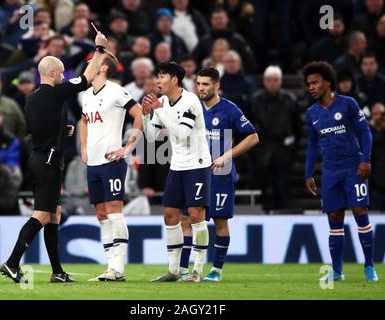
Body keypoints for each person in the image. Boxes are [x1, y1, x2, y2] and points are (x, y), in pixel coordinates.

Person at [0, 31, 108, 284]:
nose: (63, 77)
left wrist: (62, 131)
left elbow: (40, 129)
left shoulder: (32, 98)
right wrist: (99, 49)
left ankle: (57, 272)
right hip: (48, 162)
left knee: (54, 214)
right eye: (60, 73)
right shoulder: (55, 93)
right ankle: (12, 263)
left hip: (42, 159)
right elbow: (88, 77)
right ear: (51, 74)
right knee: (43, 214)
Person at [180, 67, 259, 281]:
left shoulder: (230, 110)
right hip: (196, 172)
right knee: (187, 219)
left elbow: (253, 137)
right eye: (198, 83)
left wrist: (227, 155)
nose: (201, 88)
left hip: (220, 174)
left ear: (217, 86)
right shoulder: (193, 107)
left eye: (206, 84)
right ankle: (185, 270)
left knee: (220, 221)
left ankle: (216, 270)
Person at [303, 61, 378, 282]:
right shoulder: (312, 113)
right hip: (330, 171)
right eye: (309, 84)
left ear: (327, 83)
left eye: (315, 83)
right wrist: (308, 173)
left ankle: (369, 267)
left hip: (353, 166)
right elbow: (312, 145)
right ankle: (337, 271)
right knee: (334, 217)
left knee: (359, 212)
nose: (311, 87)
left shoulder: (348, 104)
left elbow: (365, 133)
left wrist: (366, 159)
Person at [142, 62, 212, 282]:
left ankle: (198, 270)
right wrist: (146, 116)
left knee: (195, 215)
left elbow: (181, 134)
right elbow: (152, 138)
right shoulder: (161, 102)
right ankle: (174, 270)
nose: (158, 80)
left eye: (162, 76)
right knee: (170, 215)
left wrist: (160, 112)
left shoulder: (191, 101)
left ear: (174, 79)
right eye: (158, 76)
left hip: (197, 164)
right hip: (177, 165)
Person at [79, 50, 143, 282]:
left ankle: (118, 268)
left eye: (94, 61)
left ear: (104, 67)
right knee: (101, 214)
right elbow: (84, 120)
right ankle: (109, 267)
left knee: (115, 212)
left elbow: (139, 115)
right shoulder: (86, 95)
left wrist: (127, 148)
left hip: (112, 162)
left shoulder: (116, 91)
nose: (89, 64)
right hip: (93, 162)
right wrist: (83, 147)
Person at [250, 65, 301, 210]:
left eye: (276, 80)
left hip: (283, 151)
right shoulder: (255, 100)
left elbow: (297, 128)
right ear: (265, 81)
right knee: (260, 190)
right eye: (269, 80)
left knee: (282, 190)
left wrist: (291, 150)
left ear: (280, 81)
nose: (272, 83)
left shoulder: (290, 100)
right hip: (261, 149)